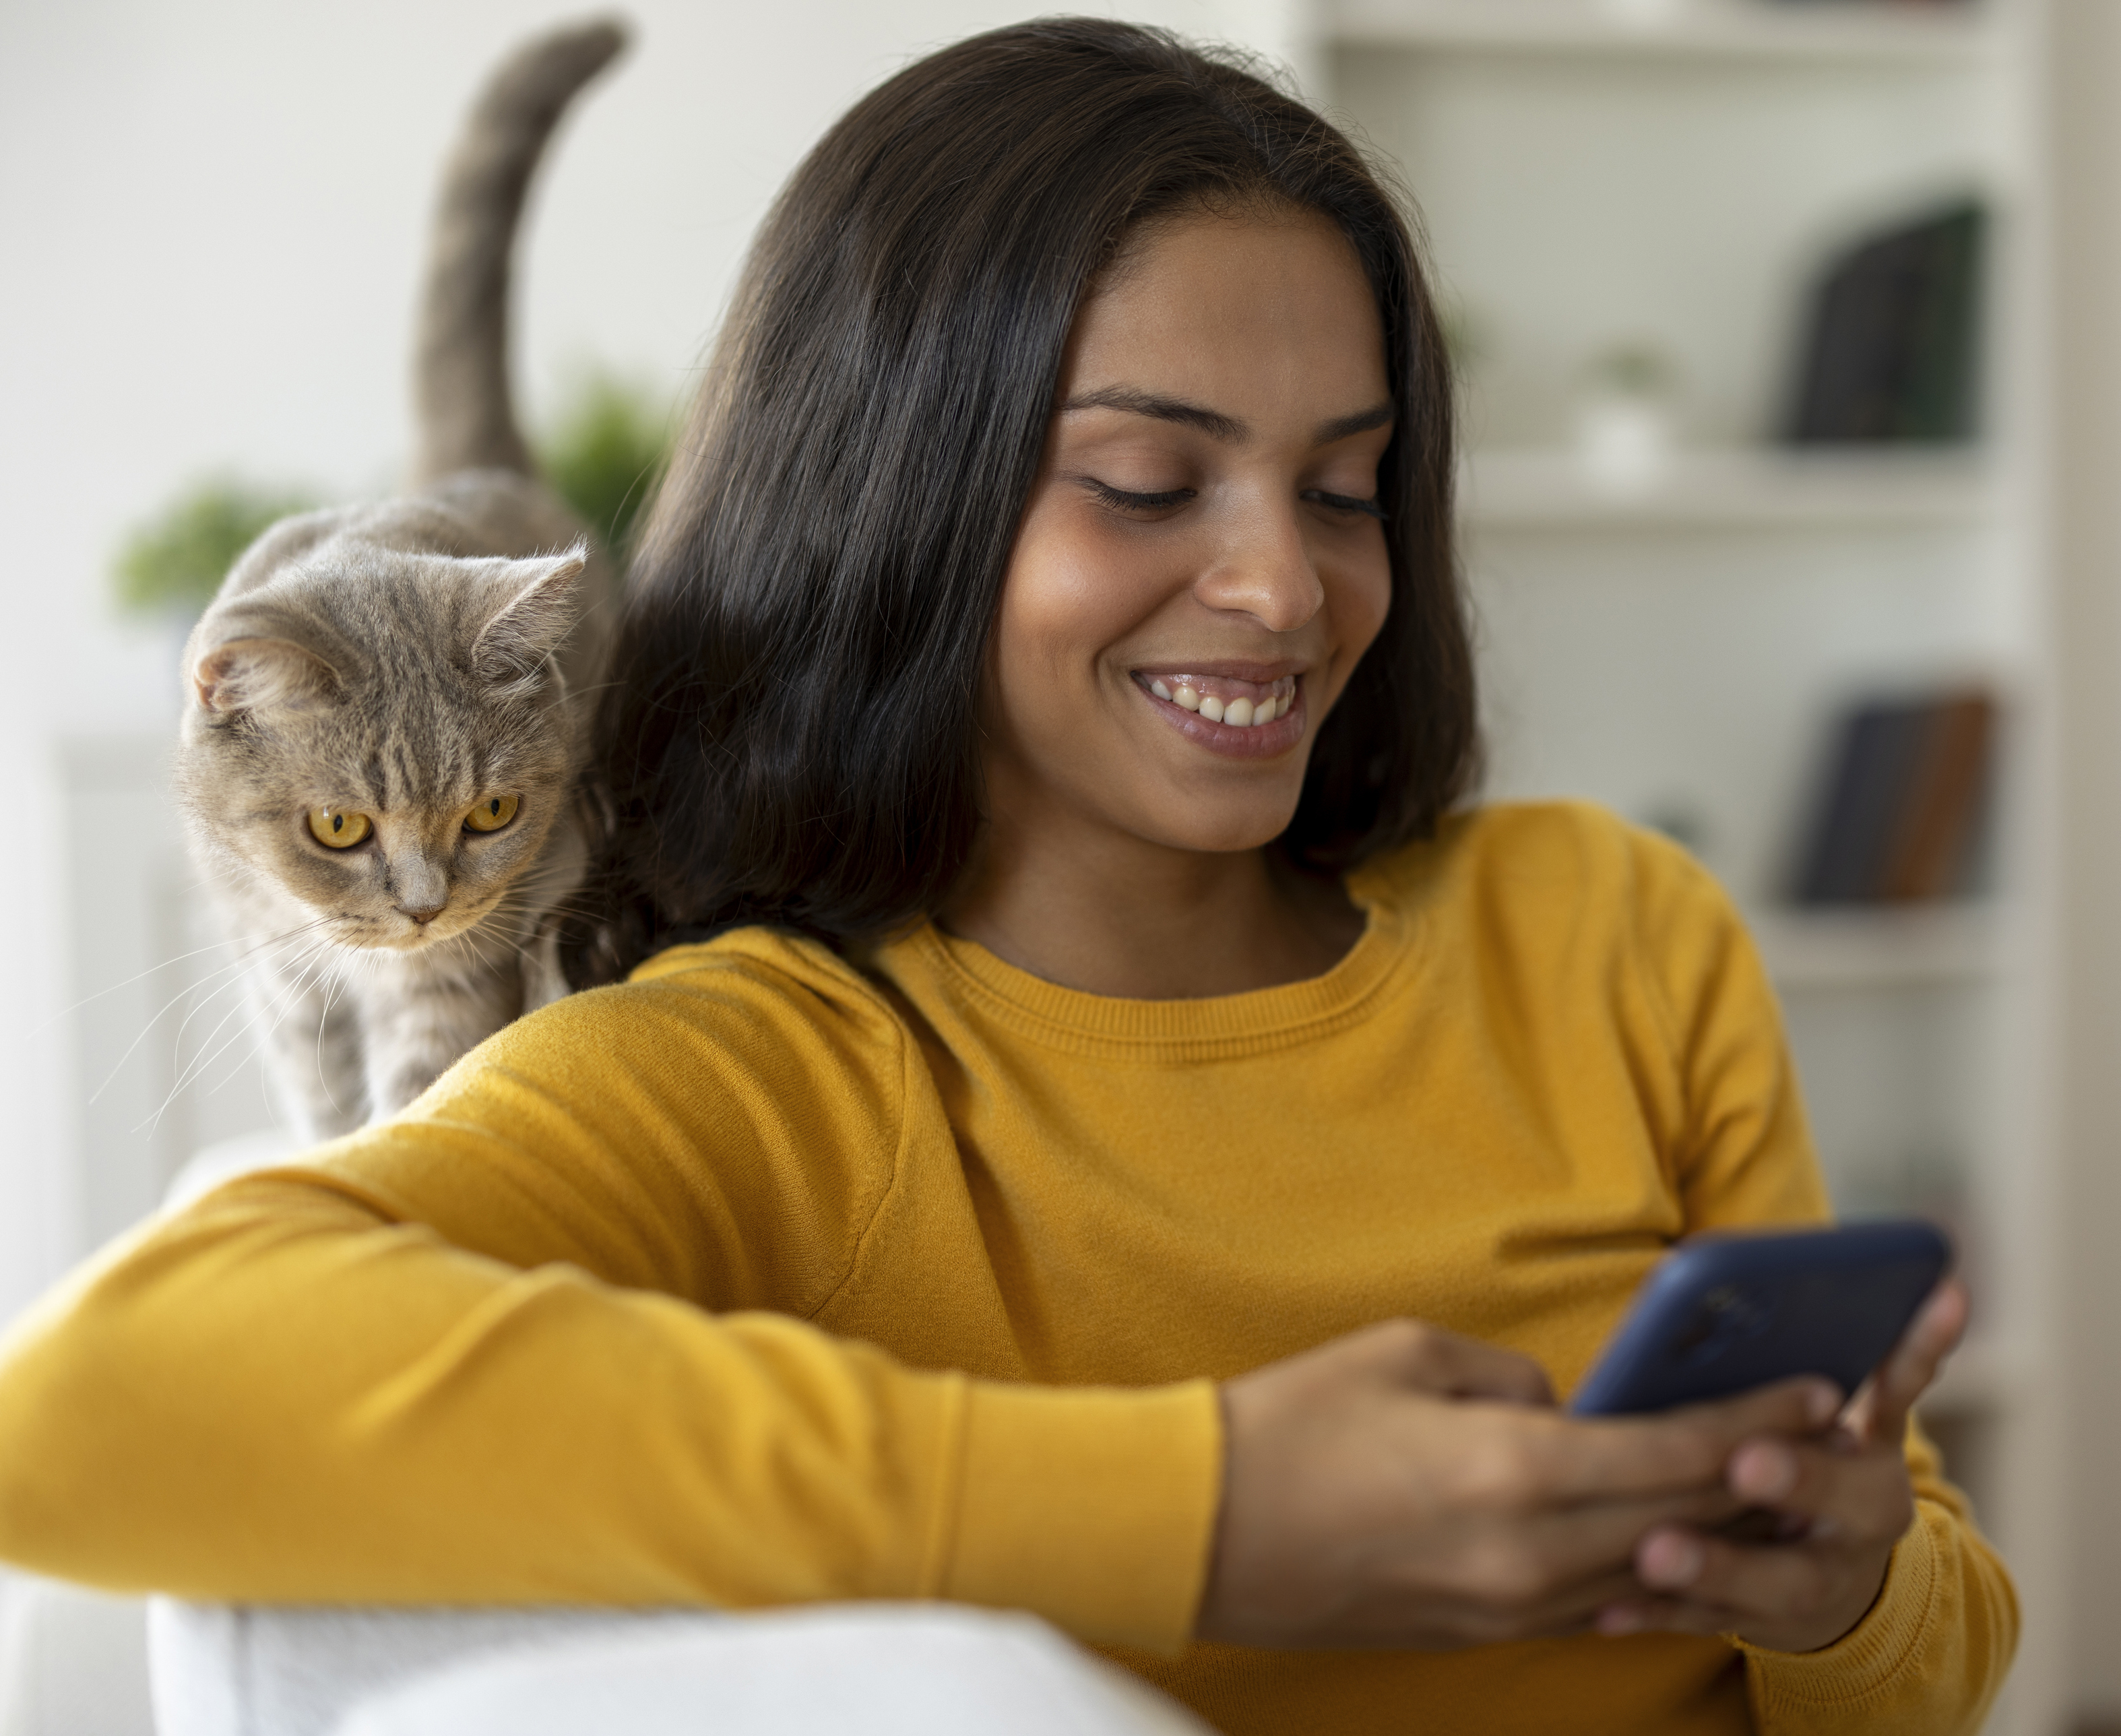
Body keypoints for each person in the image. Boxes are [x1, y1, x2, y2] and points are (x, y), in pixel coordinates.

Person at [0, 20, 2015, 1733]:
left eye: (1343, 484)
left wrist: (1835, 1591)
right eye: (1149, 482)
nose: (1285, 582)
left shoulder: (1609, 928)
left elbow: (1935, 1652)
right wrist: (1209, 1503)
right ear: (899, 506)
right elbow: (89, 1408)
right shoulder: (768, 1066)